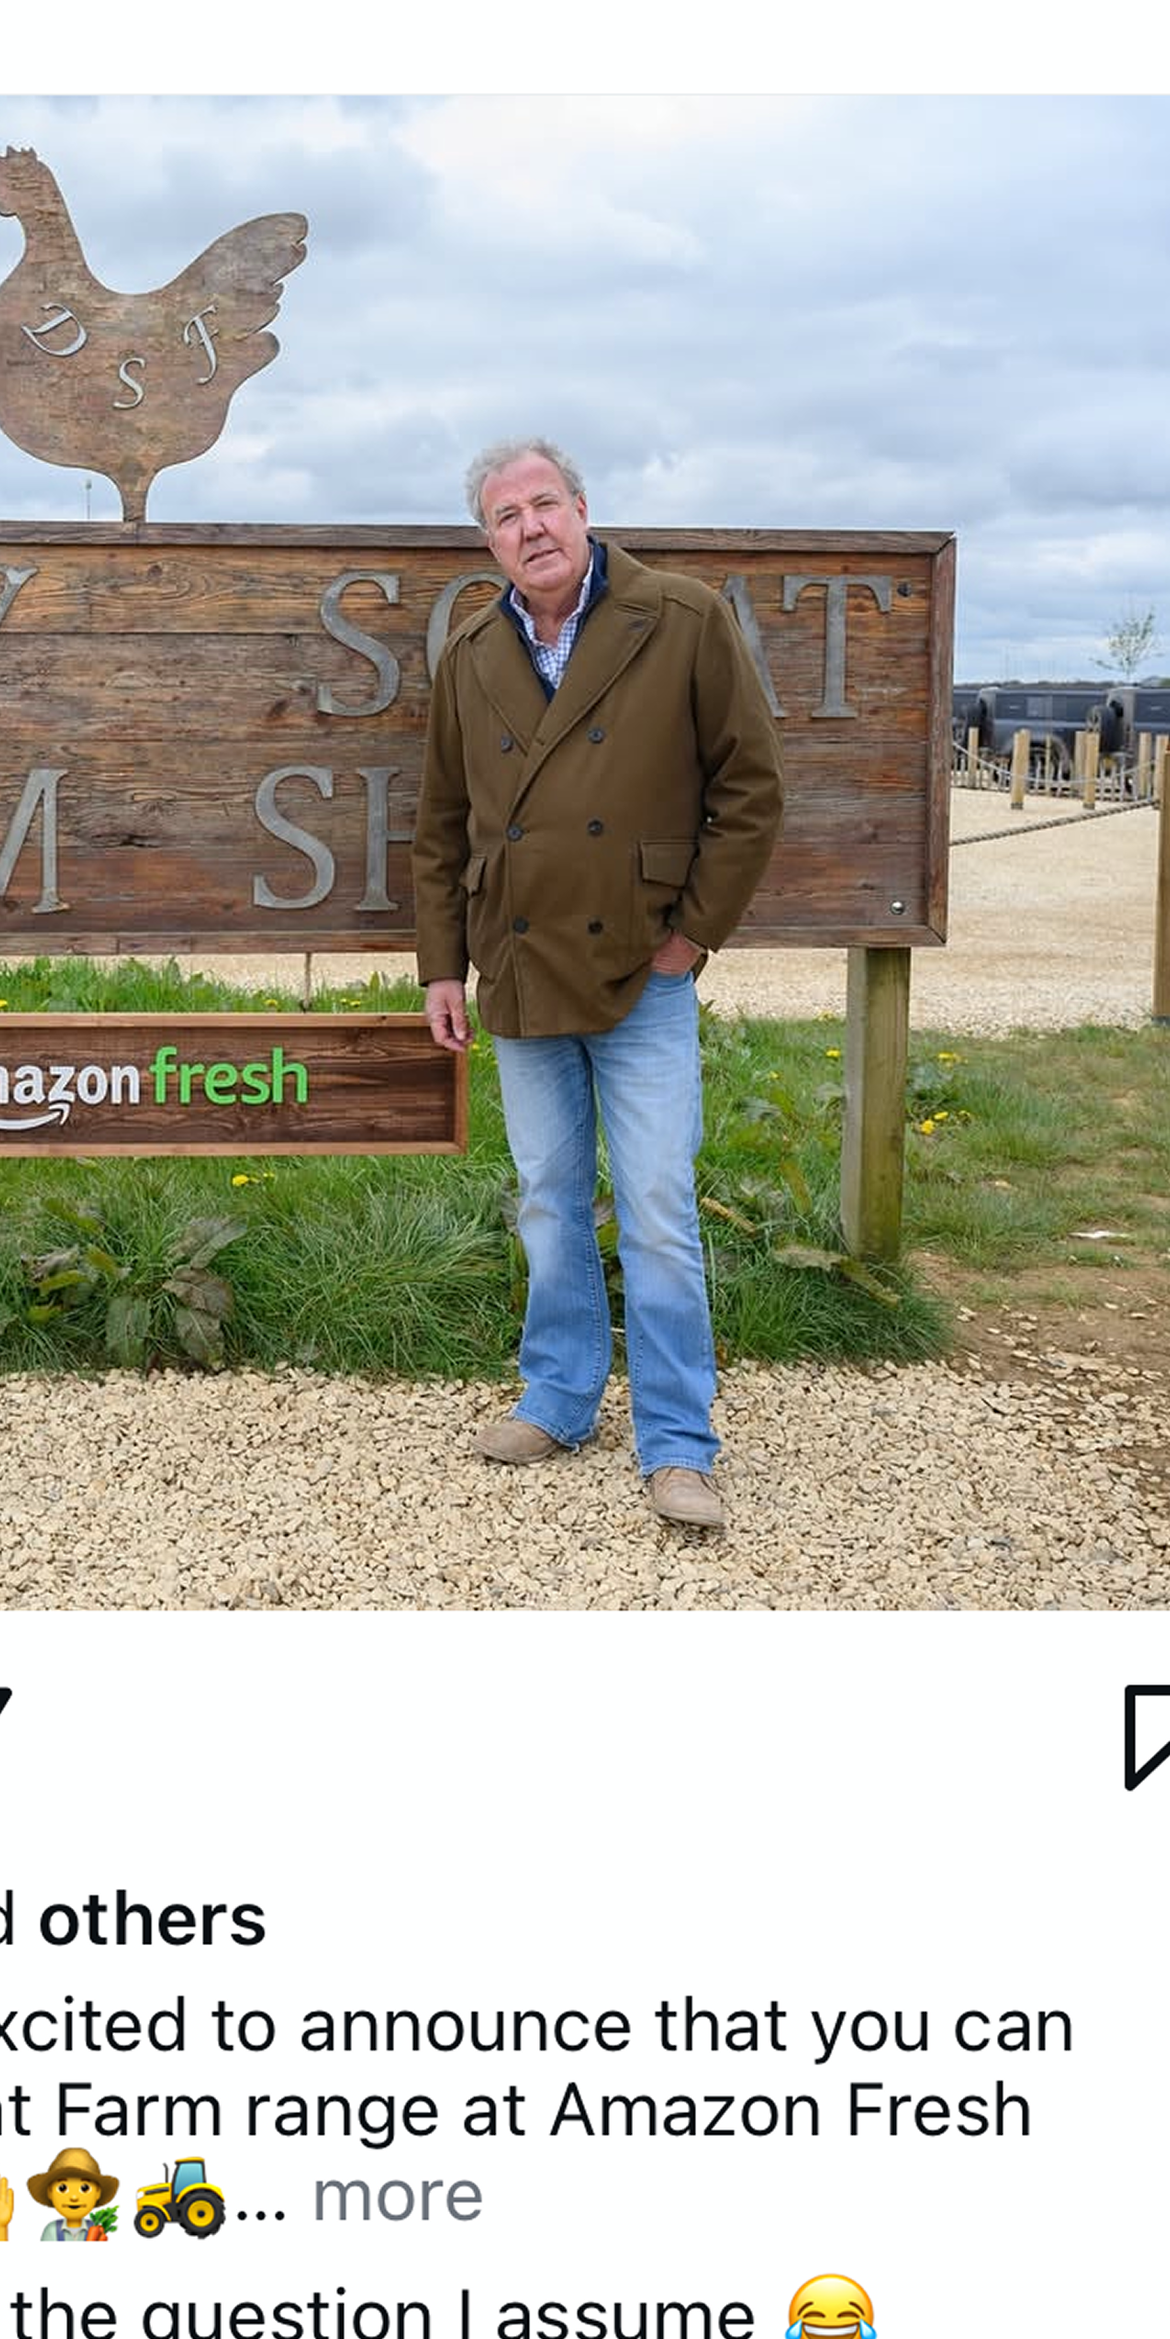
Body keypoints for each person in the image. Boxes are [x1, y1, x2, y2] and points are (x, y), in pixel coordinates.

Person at [413, 439, 786, 1530]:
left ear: (582, 509)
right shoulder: (472, 650)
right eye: (504, 516)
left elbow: (751, 788)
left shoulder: (680, 619)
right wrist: (443, 963)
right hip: (519, 966)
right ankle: (561, 1394)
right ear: (487, 541)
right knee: (545, 1195)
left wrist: (692, 938)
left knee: (661, 1207)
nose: (529, 527)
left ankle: (678, 1442)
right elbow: (439, 829)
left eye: (544, 504)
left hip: (642, 970)